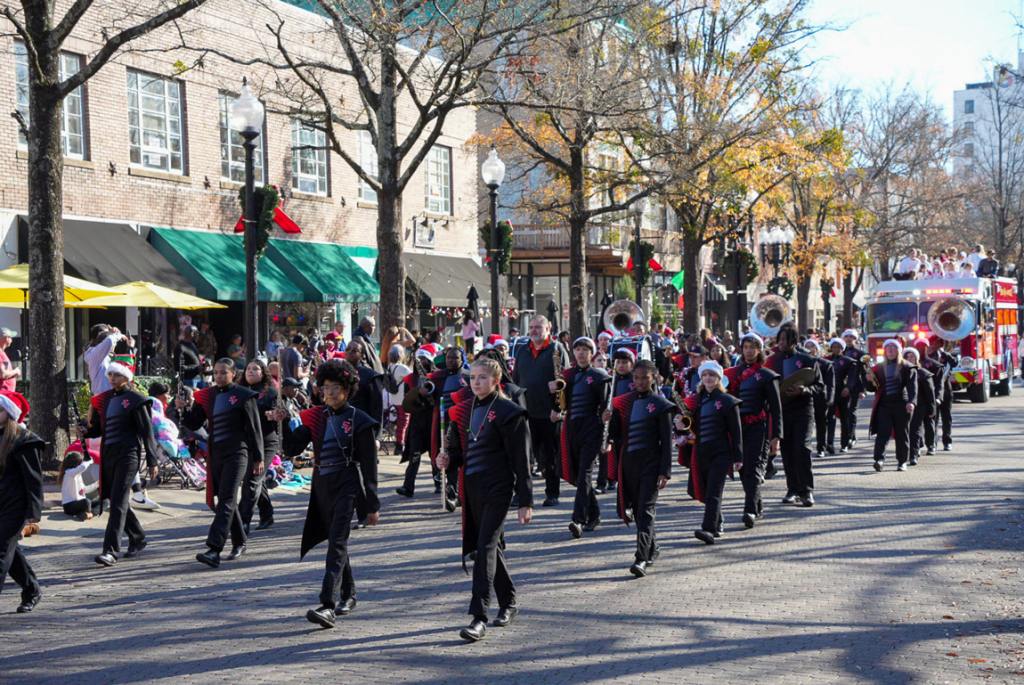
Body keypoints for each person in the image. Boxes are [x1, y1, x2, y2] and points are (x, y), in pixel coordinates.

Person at [436, 357, 533, 642]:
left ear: (495, 380)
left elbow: (522, 461)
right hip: (472, 489)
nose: (476, 382)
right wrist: (447, 458)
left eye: (482, 378)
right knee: (489, 548)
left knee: (484, 548)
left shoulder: (510, 412)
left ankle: (479, 616)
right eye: (473, 377)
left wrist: (526, 501)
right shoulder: (463, 411)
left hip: (499, 488)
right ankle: (510, 602)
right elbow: (460, 453)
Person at [279, 359, 379, 628]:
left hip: (348, 483)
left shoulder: (360, 421)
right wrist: (283, 421)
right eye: (325, 388)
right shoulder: (315, 417)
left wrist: (372, 504)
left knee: (337, 541)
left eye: (335, 387)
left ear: (347, 388)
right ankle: (350, 593)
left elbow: (370, 466)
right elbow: (292, 448)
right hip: (322, 484)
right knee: (336, 540)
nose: (330, 393)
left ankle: (327, 604)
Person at [178, 359, 264, 568]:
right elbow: (194, 422)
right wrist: (184, 408)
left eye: (223, 372)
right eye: (215, 373)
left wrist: (259, 457)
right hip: (216, 453)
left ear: (233, 374)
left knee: (226, 498)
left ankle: (214, 549)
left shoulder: (244, 395)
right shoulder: (208, 395)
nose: (219, 376)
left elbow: (254, 428)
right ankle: (240, 540)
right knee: (225, 500)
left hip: (238, 453)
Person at [84, 363, 160, 566]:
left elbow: (147, 432)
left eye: (117, 375)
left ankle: (110, 551)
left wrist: (152, 460)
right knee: (116, 500)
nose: (112, 378)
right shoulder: (106, 399)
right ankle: (138, 537)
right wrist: (86, 429)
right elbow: (100, 429)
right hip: (109, 454)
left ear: (126, 377)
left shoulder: (137, 400)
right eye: (110, 375)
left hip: (129, 455)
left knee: (117, 502)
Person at [606, 360, 672, 575]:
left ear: (654, 378)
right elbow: (615, 435)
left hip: (651, 465)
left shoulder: (661, 405)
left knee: (645, 511)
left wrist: (665, 471)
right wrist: (607, 419)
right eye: (636, 378)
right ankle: (652, 548)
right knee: (637, 510)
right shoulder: (623, 402)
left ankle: (640, 558)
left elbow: (666, 441)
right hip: (628, 465)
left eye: (645, 377)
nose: (640, 382)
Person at [723, 333, 781, 528]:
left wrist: (776, 436)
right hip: (738, 428)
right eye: (746, 347)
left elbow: (776, 408)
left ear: (759, 350)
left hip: (759, 427)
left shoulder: (767, 375)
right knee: (743, 469)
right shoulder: (731, 374)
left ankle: (749, 510)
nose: (749, 351)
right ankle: (757, 506)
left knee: (754, 468)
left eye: (752, 347)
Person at [511, 315, 570, 507]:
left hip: (549, 413)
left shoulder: (557, 349)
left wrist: (559, 409)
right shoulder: (522, 350)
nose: (534, 330)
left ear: (548, 328)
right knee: (523, 457)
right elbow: (516, 380)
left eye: (539, 327)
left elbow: (565, 380)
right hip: (526, 412)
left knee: (549, 457)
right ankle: (521, 495)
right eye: (532, 327)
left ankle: (552, 493)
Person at [681, 360, 742, 545]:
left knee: (714, 491)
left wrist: (738, 457)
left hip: (721, 453)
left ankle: (707, 529)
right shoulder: (696, 401)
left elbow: (736, 431)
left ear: (719, 378)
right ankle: (717, 521)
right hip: (701, 452)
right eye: (705, 375)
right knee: (706, 491)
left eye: (712, 375)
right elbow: (691, 428)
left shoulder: (727, 401)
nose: (708, 378)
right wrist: (681, 426)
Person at [764, 323, 823, 507]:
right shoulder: (773, 361)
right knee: (788, 451)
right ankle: (792, 489)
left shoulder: (808, 360)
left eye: (784, 339)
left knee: (802, 449)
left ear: (794, 340)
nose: (780, 343)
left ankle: (806, 491)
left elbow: (820, 386)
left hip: (803, 410)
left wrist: (804, 389)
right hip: (782, 411)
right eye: (779, 339)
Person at [558, 337, 611, 539]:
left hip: (592, 429)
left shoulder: (600, 376)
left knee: (584, 474)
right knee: (579, 476)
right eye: (577, 349)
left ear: (592, 353)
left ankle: (578, 519)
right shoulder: (567, 375)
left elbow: (606, 406)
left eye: (585, 350)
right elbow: (560, 404)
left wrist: (608, 431)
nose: (581, 353)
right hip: (572, 428)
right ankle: (594, 514)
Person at [0, 391, 43, 613]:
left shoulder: (23, 440)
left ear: (9, 414)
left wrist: (34, 510)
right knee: (10, 552)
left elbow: (33, 479)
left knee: (1, 550)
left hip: (15, 505)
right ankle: (31, 589)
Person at [427, 347, 470, 511]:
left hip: (465, 423)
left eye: (455, 358)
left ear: (461, 359)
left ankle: (462, 492)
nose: (451, 361)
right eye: (449, 358)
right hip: (446, 424)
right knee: (449, 457)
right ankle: (451, 492)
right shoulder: (439, 377)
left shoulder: (468, 376)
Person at [238, 359, 278, 533]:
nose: (251, 371)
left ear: (263, 373)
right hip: (247, 441)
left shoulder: (269, 393)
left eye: (256, 369)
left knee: (252, 481)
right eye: (248, 369)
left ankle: (241, 523)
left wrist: (275, 414)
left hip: (266, 441)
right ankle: (267, 514)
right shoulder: (239, 391)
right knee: (256, 480)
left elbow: (280, 412)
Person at [865, 339, 917, 472]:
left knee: (901, 434)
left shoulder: (907, 366)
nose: (891, 351)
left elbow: (912, 387)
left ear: (899, 351)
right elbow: (872, 388)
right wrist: (869, 381)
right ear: (884, 351)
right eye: (888, 348)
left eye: (894, 348)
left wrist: (911, 402)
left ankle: (902, 461)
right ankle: (879, 460)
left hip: (902, 404)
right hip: (884, 405)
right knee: (883, 433)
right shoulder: (878, 367)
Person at [396, 349, 440, 497]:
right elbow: (407, 402)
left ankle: (439, 484)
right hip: (416, 423)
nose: (422, 362)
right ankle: (408, 487)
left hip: (433, 421)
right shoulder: (410, 379)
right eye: (419, 359)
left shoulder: (437, 376)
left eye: (425, 359)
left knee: (435, 454)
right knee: (414, 455)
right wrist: (417, 392)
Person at [902, 348, 935, 467]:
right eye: (907, 356)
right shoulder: (900, 371)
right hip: (903, 405)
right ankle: (905, 453)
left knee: (914, 430)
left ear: (917, 358)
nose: (910, 359)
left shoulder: (923, 373)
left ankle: (913, 455)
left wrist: (932, 408)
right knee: (905, 431)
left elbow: (930, 392)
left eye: (912, 356)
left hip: (920, 406)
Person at [803, 340, 834, 459]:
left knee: (821, 423)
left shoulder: (826, 364)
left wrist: (830, 398)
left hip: (821, 397)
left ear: (817, 349)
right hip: (805, 397)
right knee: (806, 425)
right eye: (807, 346)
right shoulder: (802, 362)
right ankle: (806, 448)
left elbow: (831, 384)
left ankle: (821, 447)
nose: (810, 348)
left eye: (812, 346)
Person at [824, 338, 854, 455]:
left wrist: (848, 387)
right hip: (830, 393)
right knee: (830, 418)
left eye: (839, 347)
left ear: (843, 348)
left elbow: (852, 377)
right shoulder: (826, 360)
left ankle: (844, 444)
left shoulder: (848, 361)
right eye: (834, 347)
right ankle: (829, 443)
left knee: (845, 418)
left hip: (843, 393)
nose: (836, 349)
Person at [841, 329, 868, 451]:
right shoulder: (840, 352)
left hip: (856, 387)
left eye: (851, 337)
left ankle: (851, 437)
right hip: (842, 388)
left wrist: (864, 390)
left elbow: (865, 373)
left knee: (851, 412)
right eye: (846, 337)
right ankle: (849, 436)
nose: (849, 339)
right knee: (844, 413)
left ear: (855, 339)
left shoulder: (861, 353)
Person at [925, 336, 954, 451]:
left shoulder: (944, 355)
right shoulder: (927, 358)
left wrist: (947, 355)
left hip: (946, 390)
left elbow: (955, 363)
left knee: (946, 417)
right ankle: (933, 442)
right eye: (933, 343)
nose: (935, 345)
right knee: (934, 417)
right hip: (933, 391)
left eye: (938, 343)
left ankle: (947, 441)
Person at [386, 345, 412, 456]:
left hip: (393, 399)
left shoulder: (389, 367)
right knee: (403, 423)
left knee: (400, 423)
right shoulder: (402, 368)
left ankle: (400, 444)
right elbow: (413, 378)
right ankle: (400, 445)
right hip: (402, 400)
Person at [84, 324, 124, 394]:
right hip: (103, 399)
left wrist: (131, 348)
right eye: (105, 335)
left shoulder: (107, 356)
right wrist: (118, 335)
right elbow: (109, 341)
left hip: (112, 397)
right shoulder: (94, 355)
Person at [59, 451, 99, 520]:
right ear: (75, 464)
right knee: (87, 502)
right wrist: (89, 461)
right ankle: (86, 513)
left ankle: (89, 514)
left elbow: (84, 490)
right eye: (80, 462)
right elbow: (83, 467)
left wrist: (97, 484)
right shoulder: (68, 473)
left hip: (80, 503)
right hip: (69, 506)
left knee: (105, 501)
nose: (81, 463)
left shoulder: (77, 475)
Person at [0, 328, 20, 392]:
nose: (11, 340)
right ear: (6, 338)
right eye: (10, 337)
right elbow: (2, 374)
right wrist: (15, 371)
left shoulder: (2, 353)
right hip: (3, 395)